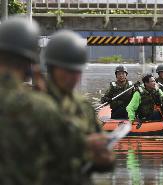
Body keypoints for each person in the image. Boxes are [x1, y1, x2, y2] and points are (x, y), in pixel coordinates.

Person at [0, 17, 113, 185]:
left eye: (76, 71)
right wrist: (88, 145)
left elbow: (104, 159)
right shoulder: (38, 105)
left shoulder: (81, 107)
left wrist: (104, 158)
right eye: (66, 70)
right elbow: (69, 141)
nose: (72, 77)